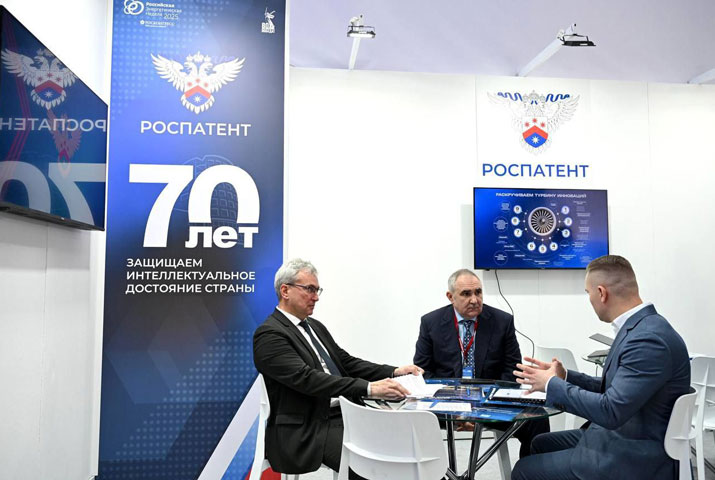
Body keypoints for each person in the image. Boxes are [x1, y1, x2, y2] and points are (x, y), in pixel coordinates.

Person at [511, 255, 691, 480]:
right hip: (620, 436)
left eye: (588, 293)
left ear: (601, 293)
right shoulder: (642, 327)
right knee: (539, 443)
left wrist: (551, 384)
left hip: (633, 454)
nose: (589, 300)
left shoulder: (648, 340)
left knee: (522, 471)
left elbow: (610, 411)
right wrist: (565, 376)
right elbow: (615, 389)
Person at [253, 259, 423, 478]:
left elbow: (346, 363)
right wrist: (369, 388)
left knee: (406, 450)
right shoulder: (270, 334)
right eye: (309, 289)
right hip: (308, 428)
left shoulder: (314, 326)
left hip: (345, 415)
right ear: (285, 291)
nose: (316, 297)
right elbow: (307, 379)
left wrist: (394, 371)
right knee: (374, 468)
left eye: (317, 290)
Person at [413, 268, 549, 457]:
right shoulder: (431, 323)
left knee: (537, 418)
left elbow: (511, 370)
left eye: (478, 292)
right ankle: (432, 470)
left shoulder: (502, 321)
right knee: (412, 420)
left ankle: (531, 470)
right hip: (447, 403)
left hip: (490, 402)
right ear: (450, 297)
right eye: (466, 294)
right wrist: (455, 408)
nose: (474, 299)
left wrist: (483, 409)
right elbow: (423, 371)